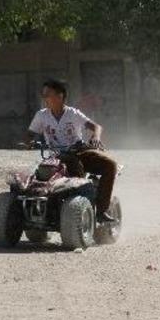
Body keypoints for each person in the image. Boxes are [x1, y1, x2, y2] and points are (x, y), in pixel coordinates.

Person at [25, 79, 118, 223]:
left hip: (79, 151)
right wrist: (27, 143)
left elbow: (96, 127)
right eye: (43, 95)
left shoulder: (73, 113)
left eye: (47, 95)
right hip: (57, 157)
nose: (44, 98)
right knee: (36, 179)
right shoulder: (41, 115)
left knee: (110, 165)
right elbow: (30, 134)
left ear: (60, 96)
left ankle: (101, 210)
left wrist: (95, 136)